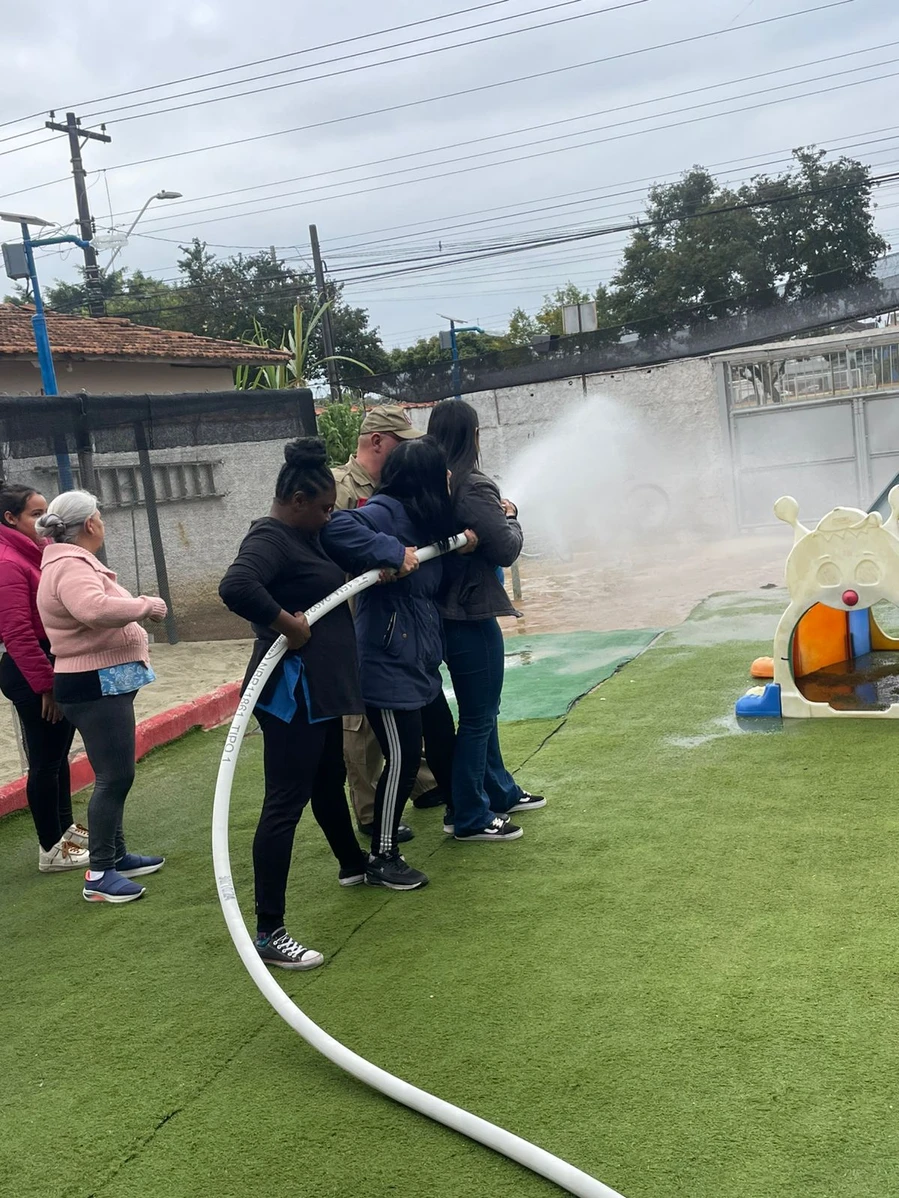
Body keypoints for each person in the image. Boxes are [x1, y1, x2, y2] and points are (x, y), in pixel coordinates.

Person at [219, 438, 415, 968]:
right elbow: (236, 586)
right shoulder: (271, 537)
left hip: (320, 691)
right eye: (325, 508)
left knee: (327, 780)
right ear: (299, 500)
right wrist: (288, 624)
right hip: (292, 693)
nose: (330, 516)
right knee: (285, 802)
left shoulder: (305, 536)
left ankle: (353, 865)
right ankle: (269, 931)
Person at [323, 437, 474, 890]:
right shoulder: (387, 510)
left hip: (419, 658)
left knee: (441, 740)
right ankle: (382, 854)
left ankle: (461, 813)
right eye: (443, 473)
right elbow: (336, 528)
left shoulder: (427, 517)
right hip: (387, 660)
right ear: (426, 478)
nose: (450, 480)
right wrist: (389, 553)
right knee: (404, 756)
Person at [36, 490, 168, 904]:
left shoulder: (65, 562)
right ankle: (100, 873)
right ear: (91, 524)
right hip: (94, 683)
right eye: (100, 516)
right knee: (116, 776)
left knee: (113, 772)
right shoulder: (70, 566)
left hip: (97, 680)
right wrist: (145, 605)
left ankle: (116, 855)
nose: (103, 522)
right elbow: (92, 609)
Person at [428, 400, 545, 841]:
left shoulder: (434, 483)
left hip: (445, 610)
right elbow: (505, 548)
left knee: (482, 711)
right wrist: (510, 516)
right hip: (469, 610)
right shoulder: (473, 486)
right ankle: (469, 815)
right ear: (473, 435)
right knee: (478, 716)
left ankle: (499, 790)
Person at [332, 405, 444, 844]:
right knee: (361, 726)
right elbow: (331, 537)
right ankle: (371, 815)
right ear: (378, 441)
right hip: (352, 619)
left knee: (403, 719)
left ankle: (422, 784)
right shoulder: (341, 487)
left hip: (398, 627)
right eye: (402, 442)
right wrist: (388, 553)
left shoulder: (403, 489)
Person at [0, 481, 86, 873]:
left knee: (56, 756)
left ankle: (65, 835)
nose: (43, 519)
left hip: (53, 662)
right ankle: (50, 848)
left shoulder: (38, 553)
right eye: (35, 514)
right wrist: (46, 686)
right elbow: (16, 632)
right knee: (45, 760)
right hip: (32, 668)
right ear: (10, 519)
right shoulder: (8, 561)